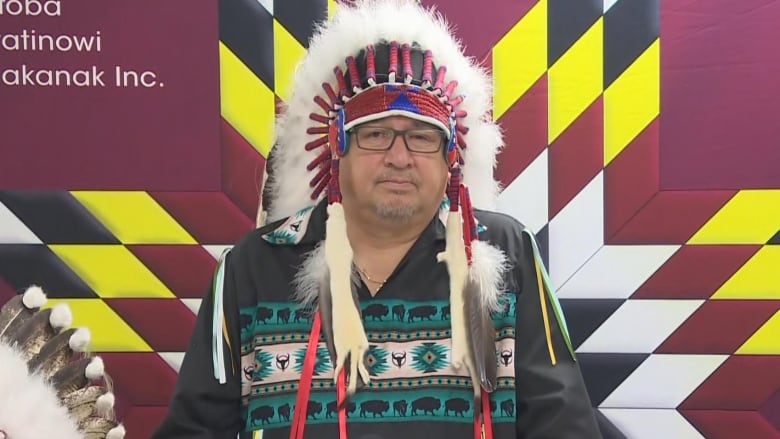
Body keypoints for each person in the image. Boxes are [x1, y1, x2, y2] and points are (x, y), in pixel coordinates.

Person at [153, 1, 602, 438]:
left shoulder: (505, 251)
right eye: (375, 134)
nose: (399, 157)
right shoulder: (253, 266)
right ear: (336, 149)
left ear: (451, 159)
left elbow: (562, 424)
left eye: (423, 137)